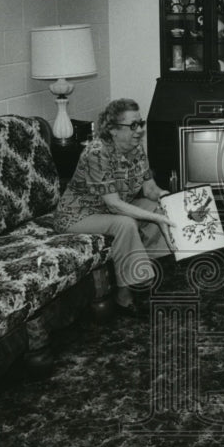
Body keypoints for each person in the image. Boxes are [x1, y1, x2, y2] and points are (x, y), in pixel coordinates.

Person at [53, 98, 175, 316]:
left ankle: (143, 273)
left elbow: (150, 191)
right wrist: (157, 219)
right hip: (79, 215)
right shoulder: (97, 153)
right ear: (113, 130)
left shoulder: (136, 149)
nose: (139, 130)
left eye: (141, 123)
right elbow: (115, 205)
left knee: (159, 208)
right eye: (133, 125)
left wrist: (170, 199)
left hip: (109, 208)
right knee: (125, 224)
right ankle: (124, 294)